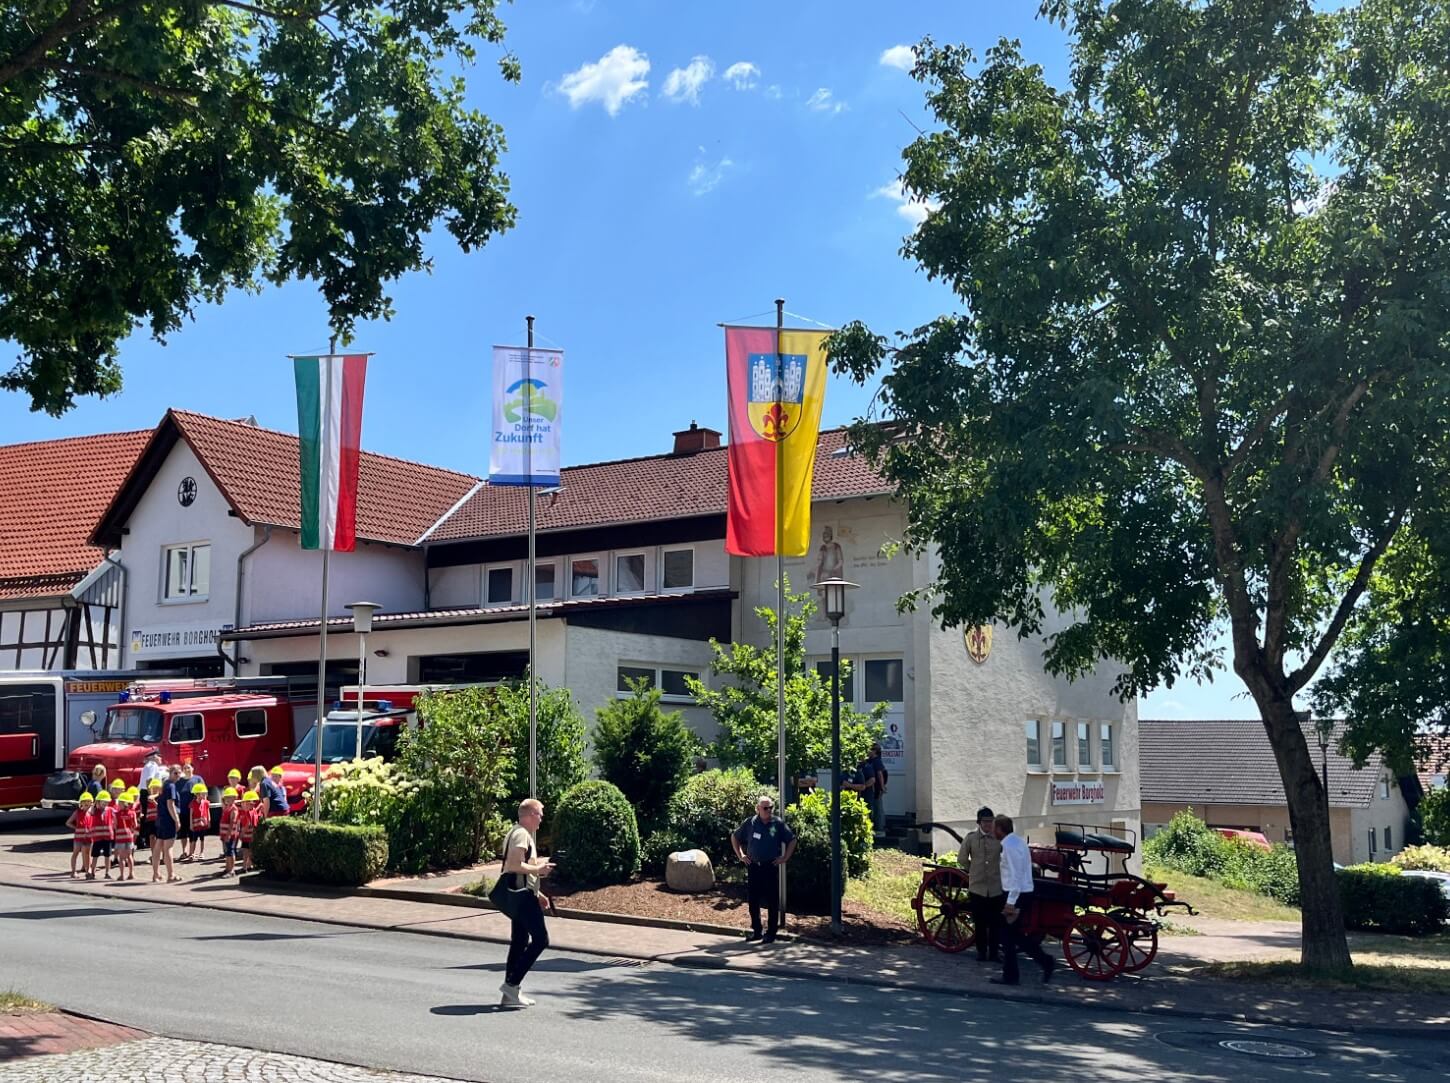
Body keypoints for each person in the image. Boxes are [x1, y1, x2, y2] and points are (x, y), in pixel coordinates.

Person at [499, 798, 555, 1008]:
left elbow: (518, 868)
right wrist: (539, 869)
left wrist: (538, 892)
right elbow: (515, 865)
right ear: (531, 815)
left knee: (520, 941)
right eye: (540, 815)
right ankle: (511, 985)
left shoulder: (516, 832)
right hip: (523, 898)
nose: (541, 819)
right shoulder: (522, 834)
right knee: (541, 940)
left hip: (521, 894)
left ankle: (510, 994)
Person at [990, 814, 1055, 986]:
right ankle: (1044, 961)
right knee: (1015, 936)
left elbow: (1016, 874)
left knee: (1007, 937)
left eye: (994, 828)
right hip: (1023, 893)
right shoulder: (1018, 842)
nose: (992, 831)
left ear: (1000, 829)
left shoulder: (1009, 846)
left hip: (1015, 894)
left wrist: (1010, 902)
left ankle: (1012, 975)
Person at [731, 796, 797, 943]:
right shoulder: (750, 823)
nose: (769, 810)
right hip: (754, 866)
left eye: (771, 807)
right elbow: (735, 837)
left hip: (770, 866)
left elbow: (792, 839)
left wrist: (785, 857)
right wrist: (741, 855)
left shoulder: (777, 824)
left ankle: (771, 932)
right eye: (765, 808)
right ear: (758, 809)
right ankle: (757, 931)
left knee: (772, 900)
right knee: (753, 900)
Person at [958, 806, 1005, 963]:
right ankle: (981, 952)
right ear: (979, 823)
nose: (988, 825)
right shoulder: (971, 838)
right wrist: (973, 870)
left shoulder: (999, 839)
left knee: (995, 922)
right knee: (980, 922)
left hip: (996, 887)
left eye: (991, 821)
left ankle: (994, 953)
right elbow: (962, 858)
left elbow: (1006, 857)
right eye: (985, 822)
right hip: (977, 887)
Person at [152, 764, 182, 883]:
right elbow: (171, 804)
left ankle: (156, 874)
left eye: (179, 773)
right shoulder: (171, 786)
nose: (178, 775)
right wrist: (177, 820)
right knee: (168, 848)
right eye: (175, 773)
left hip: (161, 819)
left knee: (158, 846)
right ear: (170, 773)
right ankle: (171, 875)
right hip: (168, 820)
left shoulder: (165, 784)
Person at [177, 762, 205, 861]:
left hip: (195, 811)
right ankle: (184, 851)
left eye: (188, 767)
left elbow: (204, 793)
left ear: (193, 768)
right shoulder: (179, 781)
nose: (186, 769)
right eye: (184, 768)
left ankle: (192, 852)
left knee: (193, 832)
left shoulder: (198, 779)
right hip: (182, 810)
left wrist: (203, 807)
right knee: (183, 832)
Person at [138, 751, 166, 849]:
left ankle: (143, 840)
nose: (161, 759)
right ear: (154, 757)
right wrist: (152, 795)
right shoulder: (153, 765)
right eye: (159, 756)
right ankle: (143, 840)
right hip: (149, 792)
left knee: (145, 817)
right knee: (150, 818)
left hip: (145, 792)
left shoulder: (147, 766)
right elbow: (149, 780)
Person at [67, 792, 94, 878]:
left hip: (89, 837)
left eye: (88, 801)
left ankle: (88, 870)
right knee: (75, 853)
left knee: (87, 854)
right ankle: (73, 871)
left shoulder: (92, 813)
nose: (86, 803)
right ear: (81, 803)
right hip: (78, 838)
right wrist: (76, 828)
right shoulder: (77, 812)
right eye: (84, 801)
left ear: (91, 803)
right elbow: (68, 822)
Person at [113, 790, 138, 881]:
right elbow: (135, 825)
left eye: (119, 802)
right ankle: (131, 874)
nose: (118, 804)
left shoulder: (117, 814)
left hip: (120, 837)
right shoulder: (132, 813)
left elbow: (115, 826)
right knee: (129, 856)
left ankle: (122, 875)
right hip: (129, 837)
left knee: (121, 858)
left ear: (123, 803)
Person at [92, 790, 115, 880]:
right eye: (103, 802)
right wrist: (95, 804)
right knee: (95, 855)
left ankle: (107, 873)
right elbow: (90, 811)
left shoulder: (110, 810)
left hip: (107, 837)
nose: (105, 803)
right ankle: (92, 872)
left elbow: (117, 814)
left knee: (107, 856)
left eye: (106, 802)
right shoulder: (95, 810)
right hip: (97, 837)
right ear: (98, 802)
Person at [218, 788, 241, 876]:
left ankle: (231, 870)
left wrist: (228, 834)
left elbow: (232, 822)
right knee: (227, 852)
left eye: (230, 797)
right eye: (226, 797)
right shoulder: (226, 807)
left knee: (231, 851)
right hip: (225, 834)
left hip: (230, 835)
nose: (227, 799)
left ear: (234, 798)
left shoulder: (234, 809)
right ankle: (227, 868)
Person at [238, 790, 261, 872]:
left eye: (243, 803)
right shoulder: (253, 810)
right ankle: (250, 865)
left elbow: (246, 825)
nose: (242, 805)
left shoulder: (246, 813)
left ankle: (244, 867)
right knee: (251, 851)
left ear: (248, 803)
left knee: (245, 852)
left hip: (246, 836)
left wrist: (241, 834)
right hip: (253, 835)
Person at [188, 783, 211, 859]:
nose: (204, 795)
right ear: (197, 794)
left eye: (204, 793)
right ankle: (192, 853)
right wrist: (191, 824)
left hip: (203, 825)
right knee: (194, 839)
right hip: (195, 825)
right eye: (202, 793)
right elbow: (191, 815)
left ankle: (201, 853)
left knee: (202, 839)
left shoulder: (206, 802)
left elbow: (208, 812)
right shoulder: (192, 803)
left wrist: (209, 821)